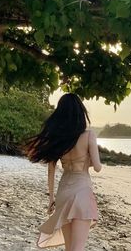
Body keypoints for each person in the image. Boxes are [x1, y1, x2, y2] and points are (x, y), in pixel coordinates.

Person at [23, 93, 102, 251]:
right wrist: (87, 160)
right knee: (77, 247)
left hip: (63, 192)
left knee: (69, 247)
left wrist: (51, 197)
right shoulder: (88, 135)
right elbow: (98, 167)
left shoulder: (58, 139)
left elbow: (51, 171)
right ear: (81, 112)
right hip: (82, 191)